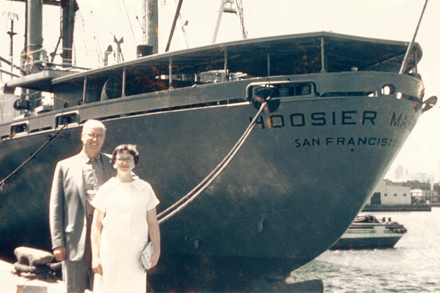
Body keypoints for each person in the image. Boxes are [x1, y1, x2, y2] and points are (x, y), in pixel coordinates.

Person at [49, 119, 114, 292]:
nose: (95, 140)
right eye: (91, 135)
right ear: (82, 136)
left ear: (104, 138)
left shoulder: (114, 164)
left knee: (103, 288)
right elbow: (56, 207)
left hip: (106, 238)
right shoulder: (65, 166)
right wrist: (57, 243)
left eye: (100, 136)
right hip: (75, 240)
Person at [91, 144, 161, 293]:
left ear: (135, 162)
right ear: (114, 162)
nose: (124, 162)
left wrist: (157, 250)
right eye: (120, 159)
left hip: (136, 253)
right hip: (110, 251)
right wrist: (95, 256)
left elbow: (153, 223)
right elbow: (96, 226)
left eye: (129, 159)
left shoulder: (145, 188)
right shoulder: (106, 189)